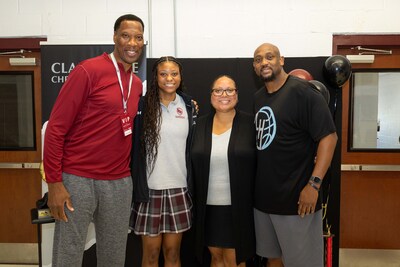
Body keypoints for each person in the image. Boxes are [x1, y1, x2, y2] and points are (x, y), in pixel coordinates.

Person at [43, 14, 145, 266]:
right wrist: (55, 183)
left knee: (114, 256)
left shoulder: (136, 84)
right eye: (126, 35)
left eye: (138, 37)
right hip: (78, 179)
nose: (132, 42)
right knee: (68, 254)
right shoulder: (88, 71)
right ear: (114, 37)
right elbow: (56, 128)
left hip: (120, 182)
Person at [252, 43, 338, 267]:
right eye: (258, 59)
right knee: (273, 259)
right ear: (254, 66)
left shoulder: (303, 92)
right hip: (265, 202)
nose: (264, 62)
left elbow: (329, 138)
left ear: (281, 61)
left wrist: (314, 185)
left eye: (270, 57)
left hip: (297, 202)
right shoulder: (258, 98)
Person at [130, 56, 197, 267]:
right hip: (149, 191)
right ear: (155, 77)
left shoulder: (188, 105)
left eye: (174, 74)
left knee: (173, 254)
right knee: (150, 255)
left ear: (180, 77)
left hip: (179, 189)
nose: (169, 78)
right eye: (163, 74)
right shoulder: (141, 105)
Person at [191, 75, 256, 267]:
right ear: (211, 95)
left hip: (239, 208)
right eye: (218, 90)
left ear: (237, 94)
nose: (224, 95)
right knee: (216, 257)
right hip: (208, 207)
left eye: (229, 90)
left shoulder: (251, 124)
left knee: (235, 260)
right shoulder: (199, 125)